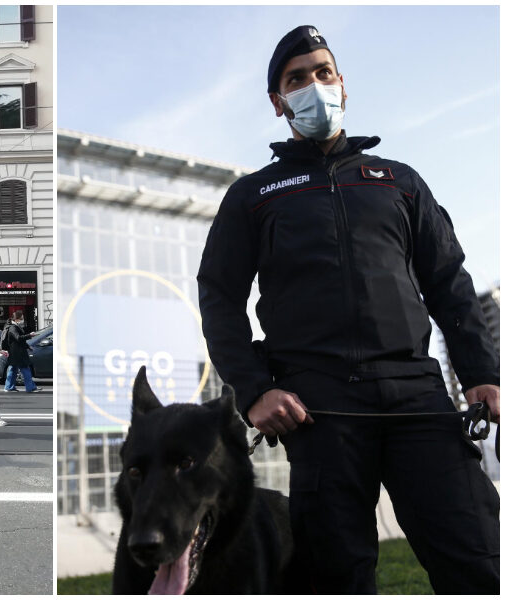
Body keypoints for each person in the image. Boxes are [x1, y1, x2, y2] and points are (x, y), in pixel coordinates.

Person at [196, 26, 499, 594]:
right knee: (337, 578)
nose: (313, 85)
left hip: (418, 400)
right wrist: (254, 389)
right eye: (296, 79)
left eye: (322, 73)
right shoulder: (254, 196)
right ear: (277, 101)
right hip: (319, 408)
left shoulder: (400, 183)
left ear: (342, 85)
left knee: (478, 562)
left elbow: (449, 284)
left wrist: (482, 373)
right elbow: (218, 297)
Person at [2, 310, 41, 393]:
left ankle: (9, 387)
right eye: (21, 318)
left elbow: (19, 341)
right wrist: (30, 335)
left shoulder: (13, 326)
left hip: (15, 352)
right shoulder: (13, 327)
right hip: (18, 353)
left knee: (13, 369)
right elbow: (18, 338)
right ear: (16, 319)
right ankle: (30, 388)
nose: (23, 320)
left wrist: (28, 346)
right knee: (25, 369)